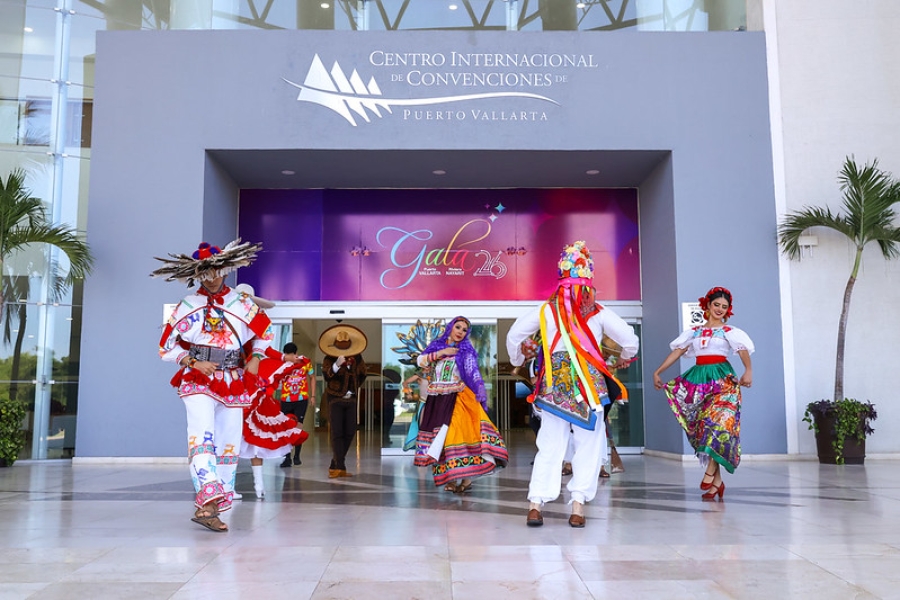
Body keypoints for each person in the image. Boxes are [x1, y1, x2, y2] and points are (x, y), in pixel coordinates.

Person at [507, 240, 639, 528]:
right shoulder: (599, 312)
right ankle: (577, 506)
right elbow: (630, 340)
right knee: (588, 445)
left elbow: (514, 335)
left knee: (549, 444)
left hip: (554, 388)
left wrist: (517, 359)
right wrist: (624, 358)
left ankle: (535, 505)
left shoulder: (546, 310)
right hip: (589, 390)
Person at [153, 239, 275, 533]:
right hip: (198, 379)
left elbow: (266, 332)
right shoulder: (187, 305)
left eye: (216, 272)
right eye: (205, 273)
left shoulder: (242, 303)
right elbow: (165, 347)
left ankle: (213, 507)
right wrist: (192, 362)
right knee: (202, 435)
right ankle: (207, 500)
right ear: (197, 274)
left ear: (226, 269)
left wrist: (256, 358)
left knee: (228, 442)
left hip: (233, 379)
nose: (211, 278)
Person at [652, 286, 754, 500]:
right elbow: (678, 352)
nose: (720, 309)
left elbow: (742, 350)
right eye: (716, 304)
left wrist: (748, 370)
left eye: (724, 307)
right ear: (707, 305)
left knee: (718, 426)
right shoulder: (694, 331)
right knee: (705, 429)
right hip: (699, 381)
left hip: (723, 380)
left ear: (728, 310)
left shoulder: (730, 331)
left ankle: (710, 472)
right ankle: (717, 484)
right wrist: (658, 371)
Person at [413, 316, 508, 493]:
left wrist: (480, 388)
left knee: (455, 435)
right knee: (440, 439)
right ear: (450, 327)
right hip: (437, 398)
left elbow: (473, 372)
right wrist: (441, 353)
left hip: (458, 397)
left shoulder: (465, 351)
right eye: (458, 327)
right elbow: (420, 361)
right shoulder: (437, 346)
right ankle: (457, 480)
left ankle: (461, 478)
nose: (460, 332)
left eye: (464, 330)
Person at [240, 353, 309, 499]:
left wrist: (285, 358)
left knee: (257, 441)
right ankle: (225, 484)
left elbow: (266, 349)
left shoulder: (260, 352)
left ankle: (259, 483)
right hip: (234, 382)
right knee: (227, 439)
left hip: (256, 389)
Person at [319, 324, 369, 478]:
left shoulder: (357, 357)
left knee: (350, 431)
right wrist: (336, 365)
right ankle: (340, 466)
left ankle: (335, 463)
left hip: (351, 399)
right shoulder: (329, 358)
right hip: (335, 399)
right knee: (337, 432)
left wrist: (354, 386)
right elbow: (327, 376)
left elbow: (363, 374)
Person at [277, 342, 315, 468]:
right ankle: (287, 457)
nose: (289, 357)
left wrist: (313, 396)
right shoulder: (282, 363)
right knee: (286, 428)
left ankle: (297, 456)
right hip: (286, 400)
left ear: (296, 353)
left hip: (301, 400)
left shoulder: (305, 362)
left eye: (291, 355)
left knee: (298, 427)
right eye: (286, 355)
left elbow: (312, 377)